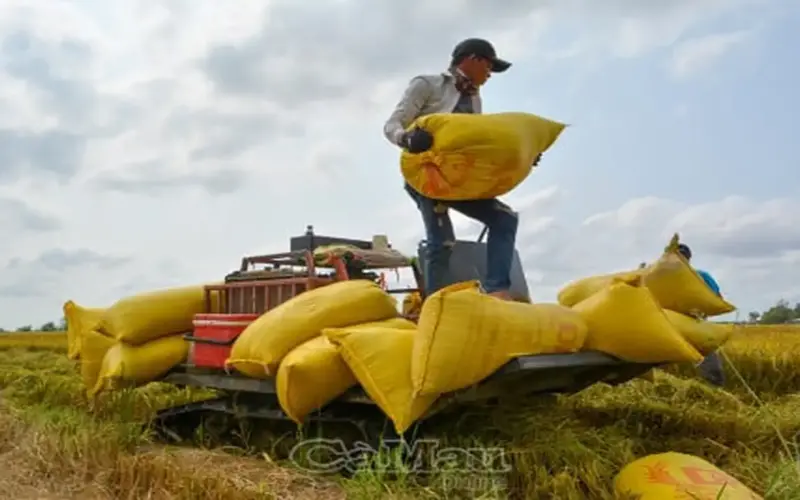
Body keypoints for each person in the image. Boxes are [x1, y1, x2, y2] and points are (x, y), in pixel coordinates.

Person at [383, 38, 538, 301]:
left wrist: (522, 156)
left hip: (457, 179)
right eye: (489, 66)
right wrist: (407, 138)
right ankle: (436, 303)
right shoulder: (427, 85)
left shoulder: (474, 101)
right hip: (426, 176)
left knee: (504, 218)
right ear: (472, 59)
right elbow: (392, 124)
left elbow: (475, 145)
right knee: (441, 240)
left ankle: (497, 289)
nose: (490, 74)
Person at [677, 243, 726, 386]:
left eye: (683, 257)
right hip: (668, 325)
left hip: (695, 325)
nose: (680, 260)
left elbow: (717, 301)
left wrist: (700, 308)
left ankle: (714, 390)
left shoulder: (702, 277)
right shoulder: (659, 278)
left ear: (689, 259)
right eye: (677, 257)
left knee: (710, 363)